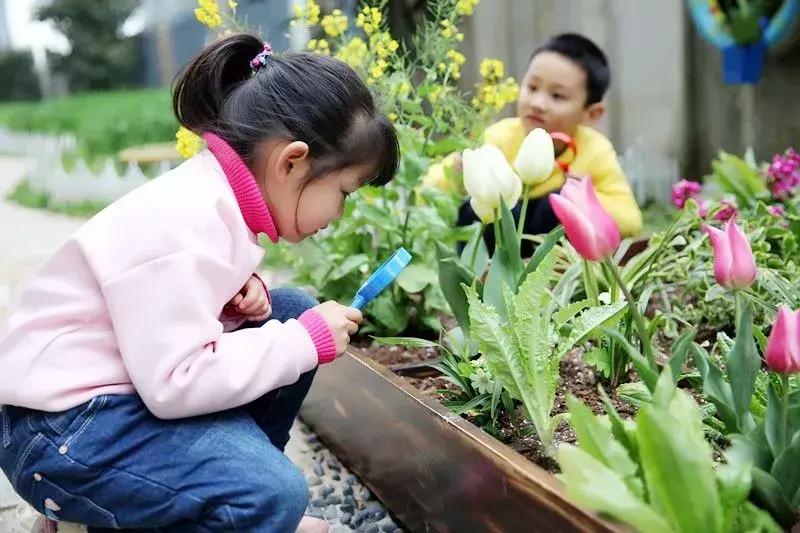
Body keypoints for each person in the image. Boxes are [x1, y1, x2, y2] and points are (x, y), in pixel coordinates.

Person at [0, 33, 398, 533]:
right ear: (291, 162)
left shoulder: (213, 203)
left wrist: (235, 300)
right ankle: (212, 506)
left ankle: (219, 499)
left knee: (291, 310)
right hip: (63, 433)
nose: (339, 214)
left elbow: (163, 318)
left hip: (111, 402)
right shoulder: (184, 222)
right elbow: (176, 379)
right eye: (344, 192)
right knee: (275, 489)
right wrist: (302, 341)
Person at [423, 33, 642, 256]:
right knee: (491, 207)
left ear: (591, 113)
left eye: (557, 96)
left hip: (552, 260)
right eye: (532, 87)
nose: (537, 103)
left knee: (558, 204)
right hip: (495, 254)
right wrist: (459, 172)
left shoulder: (594, 150)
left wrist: (582, 197)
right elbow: (428, 188)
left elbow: (630, 219)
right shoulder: (499, 138)